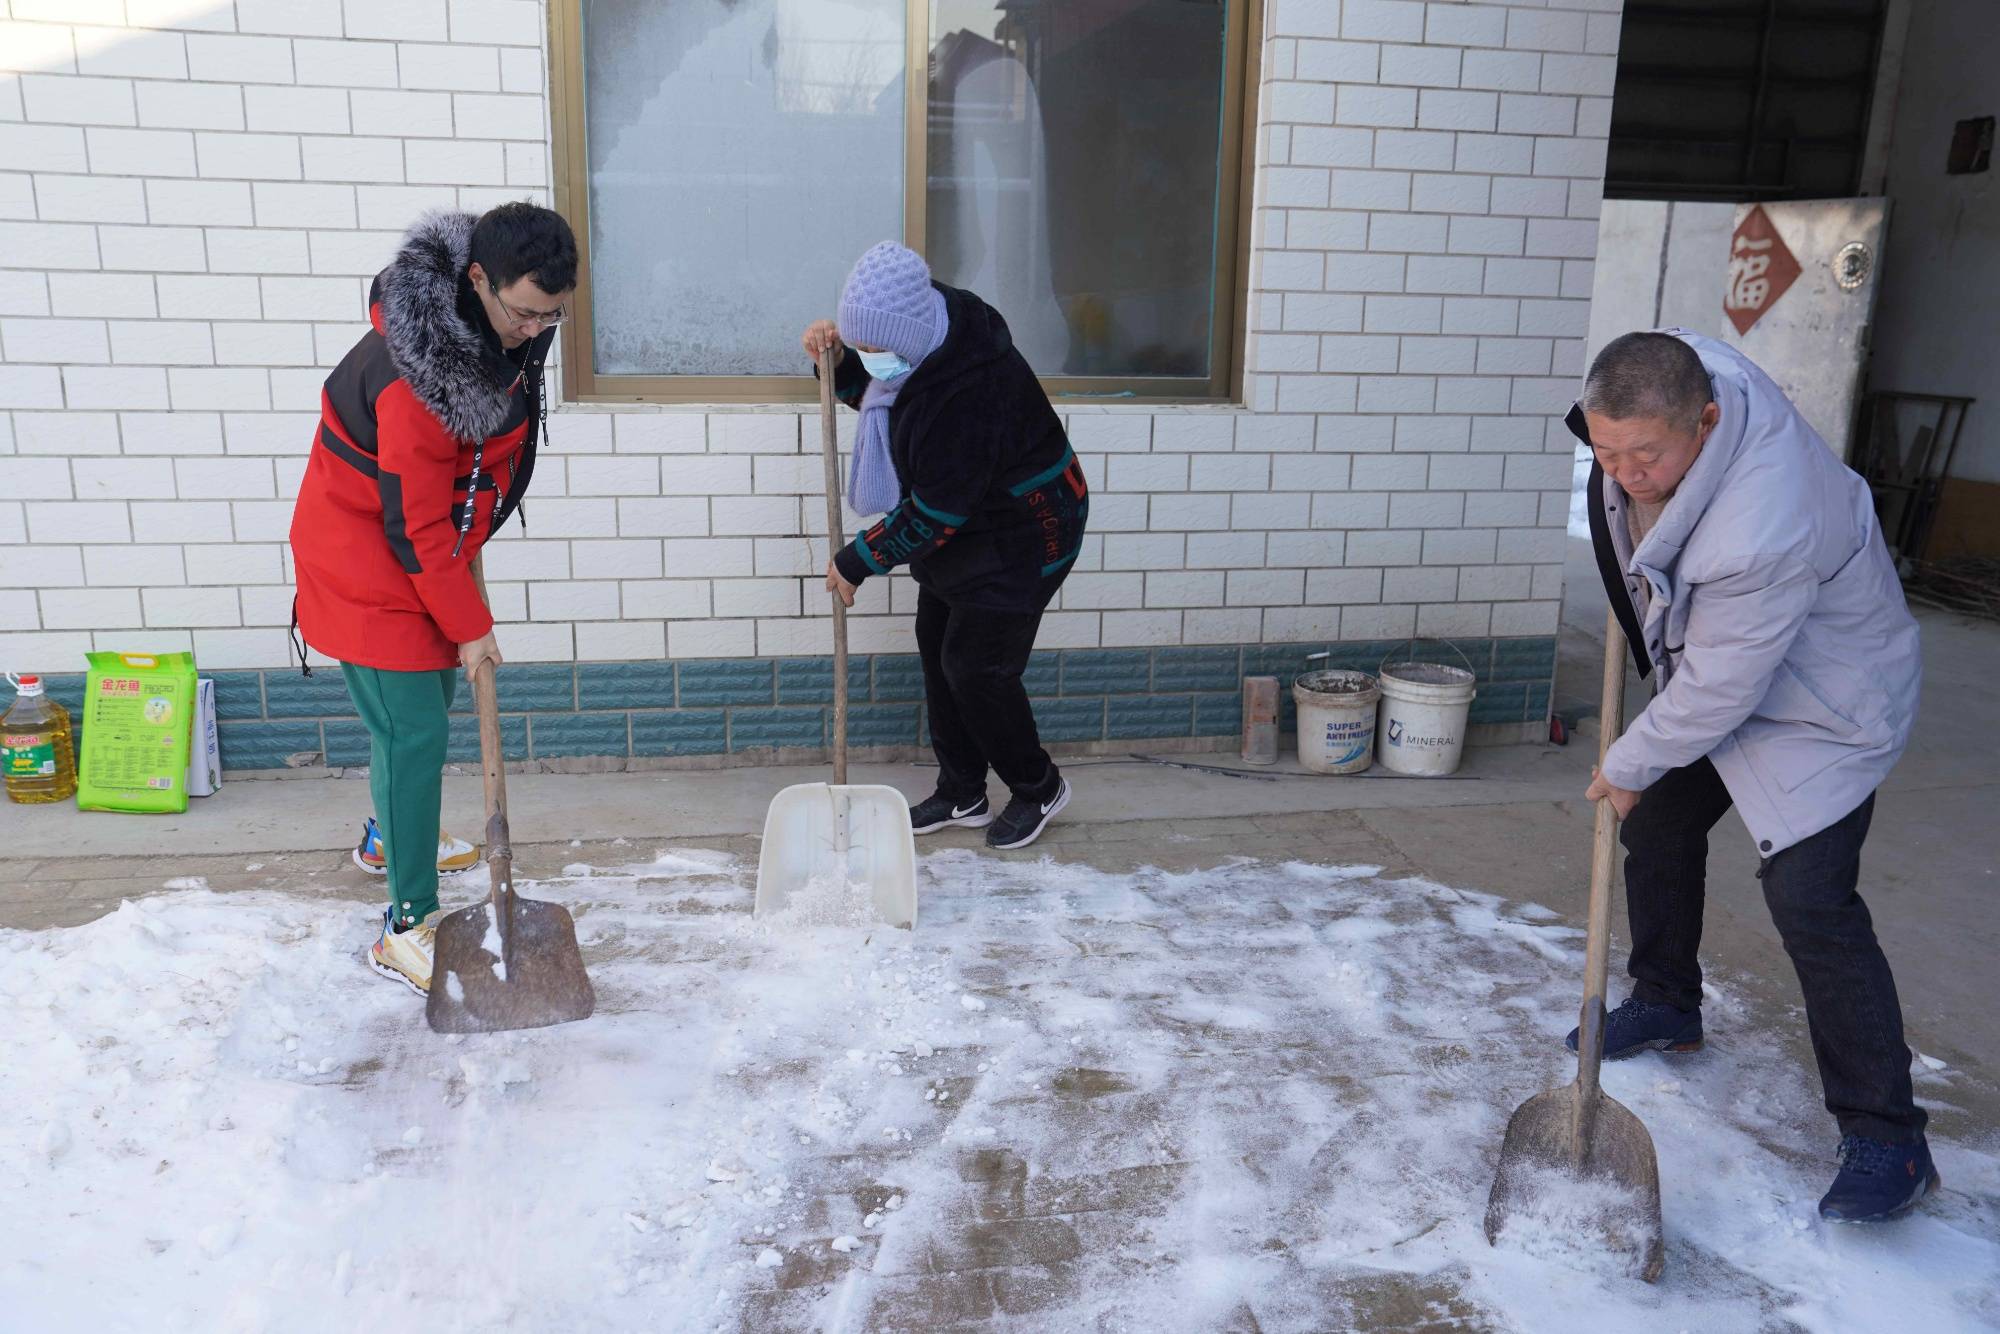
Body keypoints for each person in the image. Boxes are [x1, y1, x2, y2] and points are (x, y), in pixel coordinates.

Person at [1570, 330, 1933, 1223]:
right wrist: (1622, 481)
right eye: (1605, 451)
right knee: (1656, 825)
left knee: (1810, 896)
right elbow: (1700, 655)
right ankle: (1666, 1003)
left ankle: (1889, 1135)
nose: (1624, 474)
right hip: (1724, 666)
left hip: (1823, 699)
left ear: (1707, 420)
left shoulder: (1763, 523)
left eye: (1644, 456)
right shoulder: (1671, 388)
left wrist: (1625, 761)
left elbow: (1725, 686)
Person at [288, 203, 577, 995]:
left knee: (421, 709)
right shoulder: (416, 382)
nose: (536, 329)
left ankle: (388, 838)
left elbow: (471, 464)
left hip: (424, 546)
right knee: (412, 731)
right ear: (476, 279)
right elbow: (413, 523)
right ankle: (404, 923)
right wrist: (472, 627)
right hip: (368, 564)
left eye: (553, 314)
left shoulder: (503, 322)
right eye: (525, 313)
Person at [802, 242, 1088, 851]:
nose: (868, 359)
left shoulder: (968, 389)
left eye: (872, 349)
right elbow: (883, 396)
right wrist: (835, 364)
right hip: (969, 523)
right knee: (938, 646)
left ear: (905, 337)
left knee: (975, 665)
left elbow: (936, 511)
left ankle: (1038, 786)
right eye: (860, 346)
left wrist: (858, 559)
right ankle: (963, 789)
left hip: (1026, 531)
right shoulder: (923, 346)